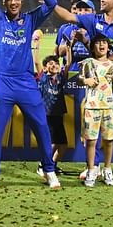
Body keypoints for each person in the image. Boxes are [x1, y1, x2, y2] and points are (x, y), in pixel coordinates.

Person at [0, 0, 60, 190]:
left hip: (26, 82)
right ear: (4, 2)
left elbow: (53, 2)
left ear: (21, 1)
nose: (14, 2)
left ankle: (49, 170)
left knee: (42, 129)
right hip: (2, 81)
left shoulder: (30, 19)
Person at [53, 0, 113, 179]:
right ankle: (94, 166)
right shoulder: (94, 20)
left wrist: (105, 64)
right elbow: (67, 16)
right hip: (96, 79)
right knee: (94, 124)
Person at [78, 35, 113, 187]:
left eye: (104, 42)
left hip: (109, 106)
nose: (101, 45)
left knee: (109, 141)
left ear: (108, 46)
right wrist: (85, 80)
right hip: (92, 106)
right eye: (98, 43)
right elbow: (79, 78)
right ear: (93, 47)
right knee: (91, 141)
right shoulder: (88, 63)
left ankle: (107, 169)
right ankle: (91, 170)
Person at [34, 48, 70, 178]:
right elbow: (36, 62)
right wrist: (36, 47)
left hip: (59, 115)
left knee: (64, 145)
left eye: (55, 63)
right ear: (45, 68)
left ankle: (52, 165)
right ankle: (42, 165)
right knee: (53, 143)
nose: (53, 65)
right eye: (50, 64)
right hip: (47, 115)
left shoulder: (61, 79)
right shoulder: (43, 78)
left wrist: (69, 48)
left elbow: (69, 64)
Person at [54, 0, 93, 71]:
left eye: (86, 10)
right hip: (71, 71)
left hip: (90, 71)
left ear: (93, 12)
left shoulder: (97, 29)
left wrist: (85, 41)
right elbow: (60, 52)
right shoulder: (67, 29)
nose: (82, 12)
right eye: (79, 10)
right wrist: (73, 41)